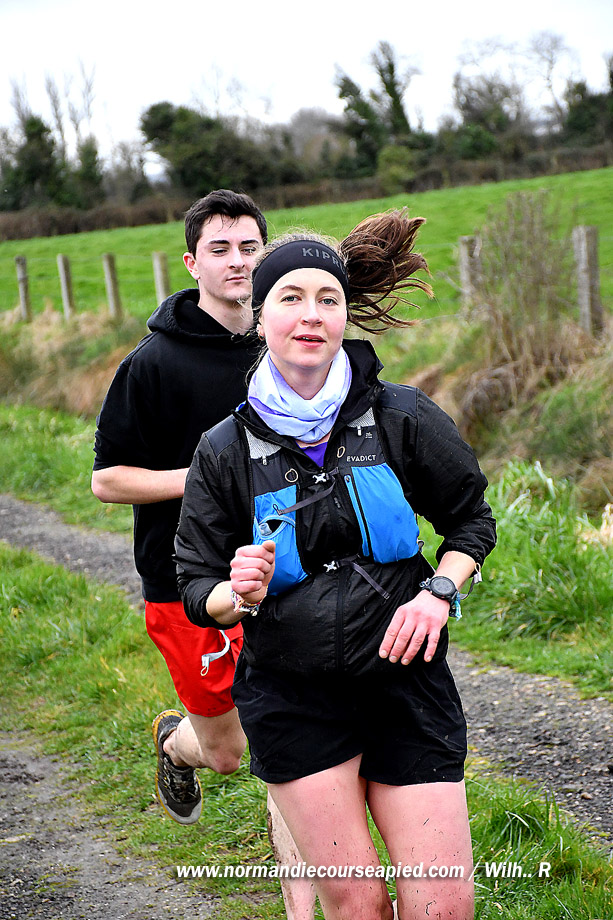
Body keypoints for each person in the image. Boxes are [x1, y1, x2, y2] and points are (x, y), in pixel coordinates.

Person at [174, 209, 497, 920]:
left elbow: (472, 521)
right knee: (356, 905)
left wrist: (438, 591)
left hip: (406, 686)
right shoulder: (223, 449)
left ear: (346, 315)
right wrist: (236, 593)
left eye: (328, 299)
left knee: (444, 905)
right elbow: (195, 582)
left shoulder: (401, 416)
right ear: (260, 316)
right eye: (290, 298)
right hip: (294, 696)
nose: (311, 315)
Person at [91, 189, 315, 919]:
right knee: (226, 752)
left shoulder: (287, 341)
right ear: (192, 264)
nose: (237, 262)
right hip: (184, 581)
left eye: (250, 247)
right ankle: (175, 743)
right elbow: (107, 480)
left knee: (285, 741)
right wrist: (203, 476)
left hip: (287, 570)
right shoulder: (153, 363)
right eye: (220, 249)